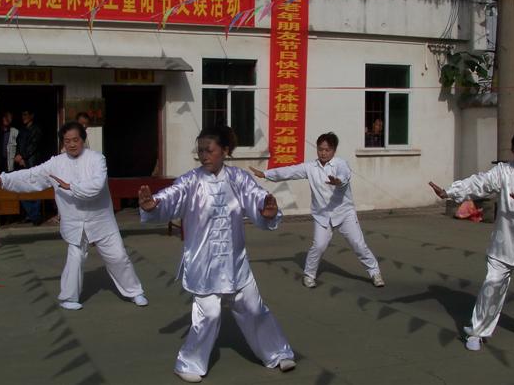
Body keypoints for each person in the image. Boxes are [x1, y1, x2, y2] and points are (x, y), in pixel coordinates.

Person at [138, 126, 295, 383]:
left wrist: (266, 211)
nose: (203, 155)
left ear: (225, 151)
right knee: (209, 314)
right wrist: (153, 205)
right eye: (200, 150)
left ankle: (277, 353)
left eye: (209, 150)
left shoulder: (238, 178)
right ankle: (188, 363)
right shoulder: (191, 181)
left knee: (254, 309)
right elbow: (171, 196)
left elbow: (257, 197)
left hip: (235, 262)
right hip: (203, 263)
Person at [429, 127, 514, 351]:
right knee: (492, 285)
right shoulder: (504, 171)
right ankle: (477, 332)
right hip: (505, 243)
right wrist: (450, 192)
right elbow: (479, 183)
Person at [0, 122, 148, 311]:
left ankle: (135, 292)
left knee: (118, 257)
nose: (71, 144)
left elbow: (97, 186)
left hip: (101, 220)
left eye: (75, 140)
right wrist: (3, 180)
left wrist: (71, 187)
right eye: (67, 141)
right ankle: (69, 297)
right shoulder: (56, 163)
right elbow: (32, 176)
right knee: (75, 260)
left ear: (83, 140)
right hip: (74, 222)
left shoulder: (97, 159)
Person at [250, 132, 385, 289]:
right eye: (320, 149)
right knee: (319, 246)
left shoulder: (340, 164)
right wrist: (266, 174)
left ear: (334, 150)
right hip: (322, 215)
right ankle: (309, 275)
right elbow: (290, 171)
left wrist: (338, 181)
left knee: (358, 244)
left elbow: (345, 175)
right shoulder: (310, 167)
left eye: (327, 150)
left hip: (344, 213)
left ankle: (375, 273)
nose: (323, 153)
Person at [15, 109, 43, 225]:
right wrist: (19, 156)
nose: (24, 117)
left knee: (35, 188)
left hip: (33, 163)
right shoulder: (22, 130)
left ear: (32, 115)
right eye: (22, 114)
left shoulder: (36, 129)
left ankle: (35, 216)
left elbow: (33, 146)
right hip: (23, 163)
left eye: (26, 114)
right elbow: (18, 145)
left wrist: (23, 156)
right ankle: (31, 215)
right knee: (23, 189)